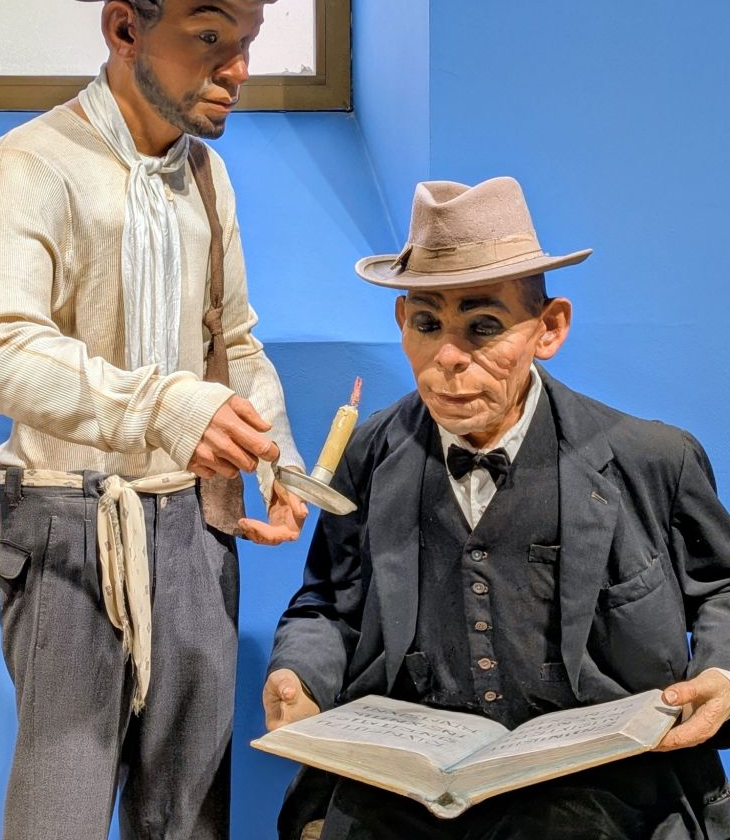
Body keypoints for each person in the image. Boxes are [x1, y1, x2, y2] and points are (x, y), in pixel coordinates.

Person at [0, 0, 309, 840]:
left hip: (196, 530)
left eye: (247, 38)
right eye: (210, 36)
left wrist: (274, 456)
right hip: (73, 534)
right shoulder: (29, 165)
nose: (237, 68)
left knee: (190, 815)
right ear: (124, 27)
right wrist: (163, 408)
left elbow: (232, 338)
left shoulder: (209, 174)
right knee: (59, 813)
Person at [263, 177, 730, 840]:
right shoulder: (369, 453)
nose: (449, 357)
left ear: (549, 328)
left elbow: (722, 589)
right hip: (409, 786)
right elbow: (329, 603)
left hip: (602, 786)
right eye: (427, 324)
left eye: (483, 327)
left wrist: (722, 670)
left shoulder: (652, 459)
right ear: (401, 323)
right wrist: (298, 674)